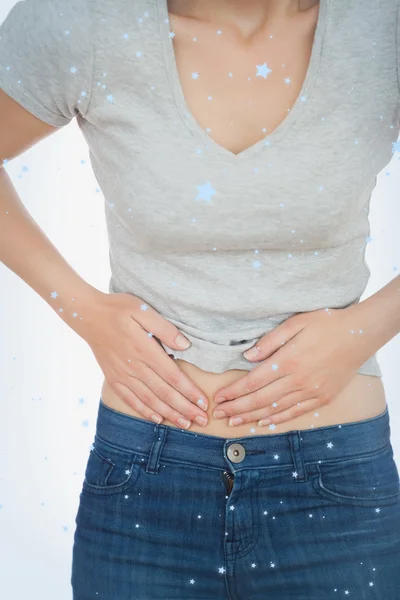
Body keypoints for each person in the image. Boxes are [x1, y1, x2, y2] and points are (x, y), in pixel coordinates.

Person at [0, 0, 399, 597]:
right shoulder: (84, 19)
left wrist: (368, 326)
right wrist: (81, 309)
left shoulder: (382, 27)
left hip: (334, 485)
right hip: (143, 481)